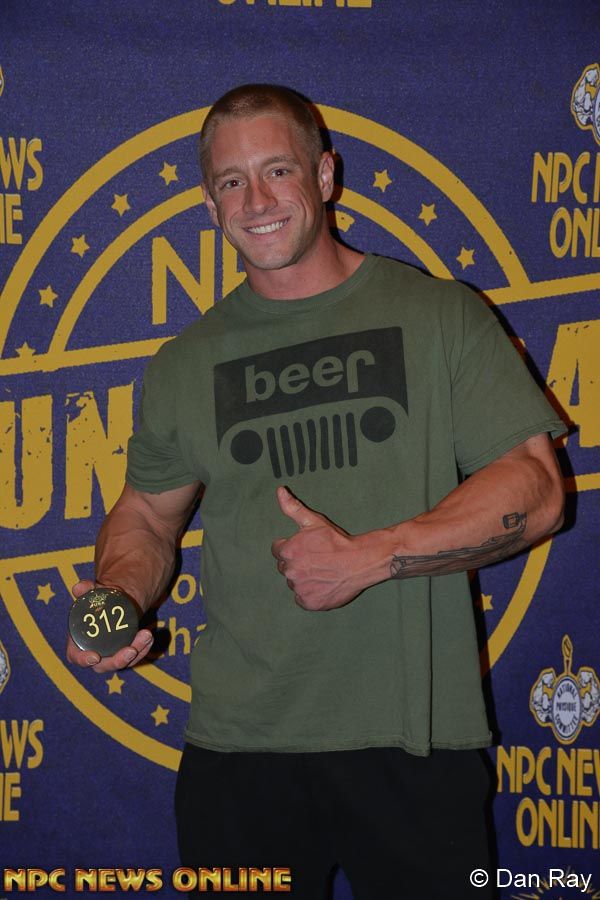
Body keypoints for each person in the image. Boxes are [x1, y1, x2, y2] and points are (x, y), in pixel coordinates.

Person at [68, 84, 566, 899]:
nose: (256, 201)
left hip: (412, 748)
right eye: (231, 182)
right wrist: (118, 593)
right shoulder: (185, 363)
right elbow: (148, 515)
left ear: (325, 176)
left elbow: (536, 487)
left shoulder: (439, 315)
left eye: (278, 171)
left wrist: (374, 556)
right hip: (238, 755)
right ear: (209, 204)